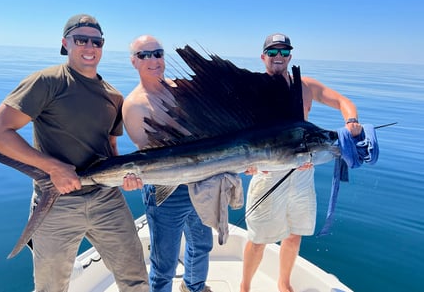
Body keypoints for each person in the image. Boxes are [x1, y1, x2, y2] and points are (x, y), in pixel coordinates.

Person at [0, 14, 149, 292]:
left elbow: (112, 151)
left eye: (97, 41)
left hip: (107, 201)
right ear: (65, 43)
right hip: (57, 204)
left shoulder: (114, 96)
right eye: (81, 39)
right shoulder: (47, 81)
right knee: (51, 288)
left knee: (136, 280)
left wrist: (127, 178)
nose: (89, 46)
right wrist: (53, 167)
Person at [240, 33, 363, 292]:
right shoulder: (252, 89)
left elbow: (343, 102)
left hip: (303, 173)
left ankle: (284, 282)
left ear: (290, 57)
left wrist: (351, 121)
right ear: (263, 57)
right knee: (258, 238)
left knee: (294, 233)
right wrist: (246, 165)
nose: (278, 57)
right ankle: (245, 286)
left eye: (284, 52)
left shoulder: (304, 85)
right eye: (272, 52)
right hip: (268, 172)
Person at [123, 35, 213, 292]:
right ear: (133, 62)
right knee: (165, 264)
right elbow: (149, 160)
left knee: (202, 245)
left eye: (157, 53)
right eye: (144, 55)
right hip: (166, 191)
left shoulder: (183, 89)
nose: (153, 60)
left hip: (202, 182)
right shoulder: (133, 105)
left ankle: (194, 287)